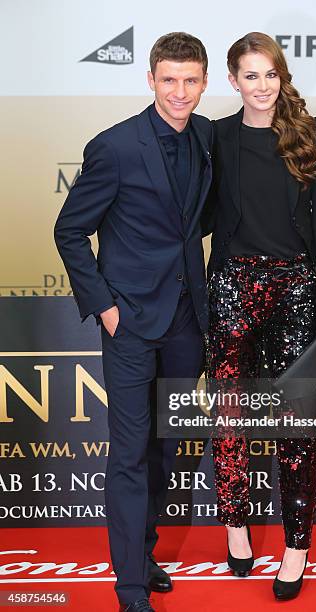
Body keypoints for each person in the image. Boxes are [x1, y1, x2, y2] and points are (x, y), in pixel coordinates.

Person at [54, 32, 212, 612]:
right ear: (150, 79)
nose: (179, 91)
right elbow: (69, 230)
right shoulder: (115, 146)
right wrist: (105, 305)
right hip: (129, 320)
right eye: (168, 79)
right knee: (127, 453)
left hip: (186, 322)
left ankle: (143, 556)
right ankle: (129, 589)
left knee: (166, 450)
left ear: (203, 82)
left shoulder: (205, 137)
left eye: (190, 80)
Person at [203, 32, 316, 601]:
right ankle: (236, 527)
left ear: (282, 77)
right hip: (234, 286)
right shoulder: (216, 136)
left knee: (295, 424)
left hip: (296, 291)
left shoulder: (314, 135)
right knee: (231, 416)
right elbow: (198, 212)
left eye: (271, 75)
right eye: (250, 76)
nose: (262, 86)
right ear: (233, 81)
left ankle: (296, 546)